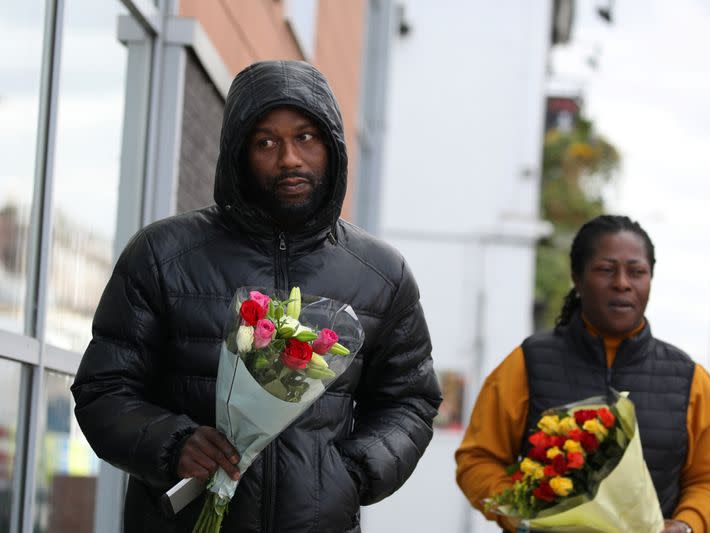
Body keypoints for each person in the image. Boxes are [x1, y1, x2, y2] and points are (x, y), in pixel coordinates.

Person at [71, 60, 442, 533]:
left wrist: (351, 472)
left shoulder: (382, 275)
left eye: (305, 137)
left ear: (331, 145)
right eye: (266, 142)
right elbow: (104, 388)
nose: (290, 158)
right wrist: (174, 443)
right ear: (238, 154)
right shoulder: (163, 255)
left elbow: (410, 399)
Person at [455, 215, 710, 533]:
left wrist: (687, 525)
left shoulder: (690, 380)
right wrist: (518, 516)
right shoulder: (527, 363)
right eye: (606, 269)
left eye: (637, 272)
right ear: (577, 276)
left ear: (650, 279)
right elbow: (478, 459)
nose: (622, 283)